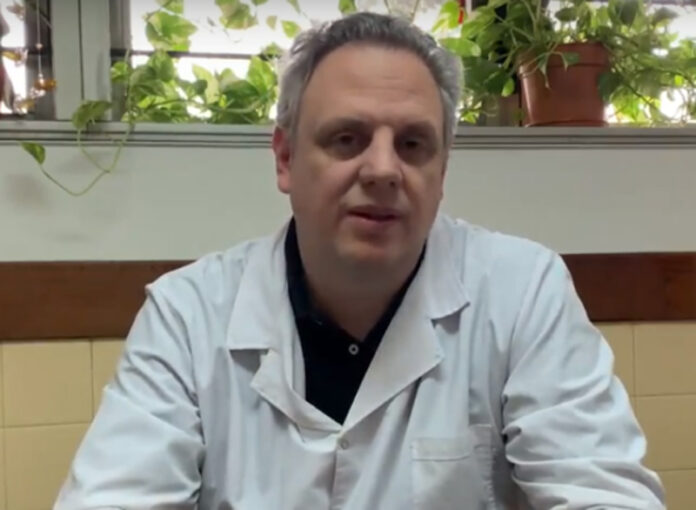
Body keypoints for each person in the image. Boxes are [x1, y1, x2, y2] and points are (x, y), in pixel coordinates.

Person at [55, 12, 665, 510]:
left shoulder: (523, 292)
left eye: (413, 144)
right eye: (346, 139)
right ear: (285, 159)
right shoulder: (187, 317)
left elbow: (603, 492)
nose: (382, 170)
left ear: (442, 171)